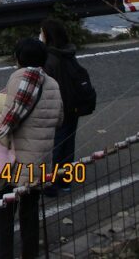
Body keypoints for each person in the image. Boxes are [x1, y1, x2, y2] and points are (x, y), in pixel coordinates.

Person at [0, 38, 63, 259]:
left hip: (15, 160)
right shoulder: (52, 83)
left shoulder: (19, 78)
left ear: (19, 58)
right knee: (30, 211)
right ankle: (29, 254)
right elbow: (59, 120)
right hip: (40, 160)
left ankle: (5, 254)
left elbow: (9, 120)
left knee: (5, 209)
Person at [41, 18, 82, 190]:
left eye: (42, 32)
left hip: (57, 108)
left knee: (54, 147)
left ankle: (50, 184)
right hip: (74, 105)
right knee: (68, 144)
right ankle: (66, 181)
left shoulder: (49, 59)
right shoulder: (68, 52)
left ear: (48, 36)